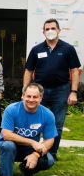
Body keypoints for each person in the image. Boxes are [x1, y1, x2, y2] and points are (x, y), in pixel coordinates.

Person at [23, 18, 80, 159]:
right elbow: (28, 71)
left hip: (61, 91)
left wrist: (73, 92)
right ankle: (32, 152)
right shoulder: (36, 49)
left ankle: (51, 154)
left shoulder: (68, 49)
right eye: (47, 29)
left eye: (53, 28)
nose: (50, 31)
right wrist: (25, 91)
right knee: (34, 123)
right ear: (43, 32)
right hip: (39, 91)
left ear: (59, 30)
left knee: (57, 124)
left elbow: (74, 71)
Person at [0, 83, 57, 176]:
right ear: (22, 96)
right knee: (8, 146)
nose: (31, 100)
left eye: (35, 97)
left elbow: (50, 140)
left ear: (40, 98)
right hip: (9, 145)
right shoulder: (11, 109)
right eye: (28, 96)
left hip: (29, 150)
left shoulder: (48, 115)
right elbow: (7, 135)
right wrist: (32, 142)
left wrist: (35, 154)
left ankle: (27, 170)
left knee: (49, 160)